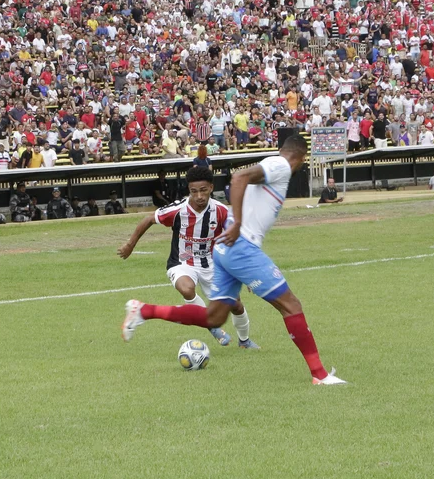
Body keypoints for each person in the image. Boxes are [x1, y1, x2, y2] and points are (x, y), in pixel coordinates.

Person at [122, 136, 346, 385]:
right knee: (291, 305)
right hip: (241, 247)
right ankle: (320, 375)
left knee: (214, 318)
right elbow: (238, 178)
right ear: (301, 158)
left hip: (225, 249)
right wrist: (238, 222)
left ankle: (143, 311)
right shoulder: (281, 165)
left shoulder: (271, 167)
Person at [117, 167, 255, 348]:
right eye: (194, 191)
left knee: (235, 305)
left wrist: (247, 273)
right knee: (187, 289)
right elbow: (149, 219)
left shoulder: (221, 211)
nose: (199, 196)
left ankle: (244, 341)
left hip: (213, 265)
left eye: (203, 190)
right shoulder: (177, 210)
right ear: (189, 190)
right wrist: (130, 245)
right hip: (182, 263)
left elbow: (236, 239)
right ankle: (211, 326)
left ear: (211, 188)